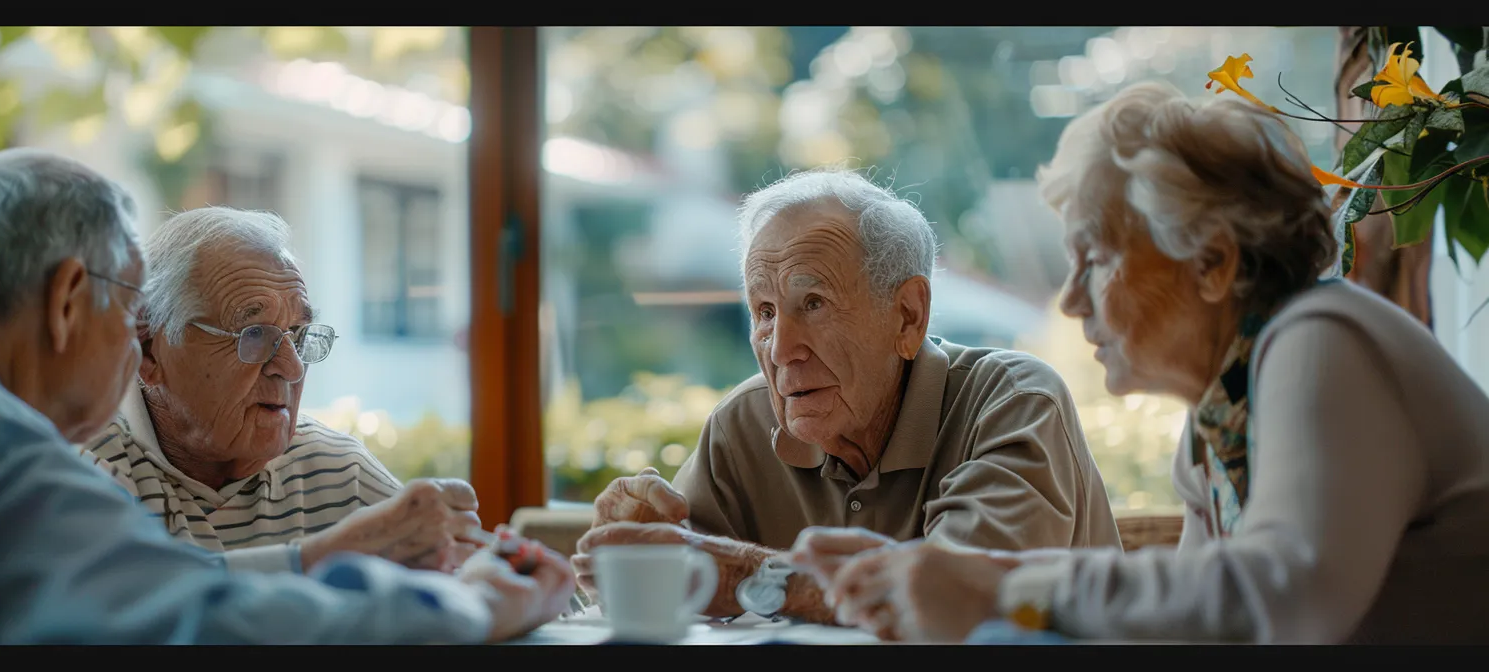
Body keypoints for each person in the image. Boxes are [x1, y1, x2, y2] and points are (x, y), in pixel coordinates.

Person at [0, 148, 572, 644]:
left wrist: (319, 558)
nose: (132, 346)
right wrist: (472, 604)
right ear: (70, 300)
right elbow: (206, 627)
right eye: (128, 308)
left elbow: (143, 589)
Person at [791, 81, 1489, 644]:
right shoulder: (1222, 416)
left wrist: (1000, 587)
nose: (1069, 301)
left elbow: (1283, 600)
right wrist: (935, 574)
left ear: (1212, 261)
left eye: (1094, 259)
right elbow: (1190, 631)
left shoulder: (1323, 343)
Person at [573, 169, 1121, 625]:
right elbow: (680, 584)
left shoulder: (1012, 402)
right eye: (764, 312)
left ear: (908, 316)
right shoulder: (743, 425)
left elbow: (959, 603)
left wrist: (748, 576)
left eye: (813, 303)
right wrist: (633, 553)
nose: (782, 348)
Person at [81, 206, 478, 573]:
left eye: (298, 335)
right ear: (149, 350)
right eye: (253, 334)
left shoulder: (338, 472)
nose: (291, 367)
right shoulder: (84, 469)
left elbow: (463, 587)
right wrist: (324, 555)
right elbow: (133, 613)